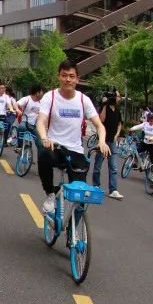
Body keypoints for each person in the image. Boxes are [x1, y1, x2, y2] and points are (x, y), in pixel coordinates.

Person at [35, 60, 109, 215]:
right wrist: (44, 139)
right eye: (64, 75)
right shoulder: (50, 97)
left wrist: (102, 141)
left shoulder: (83, 100)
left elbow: (99, 125)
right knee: (43, 154)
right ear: (59, 77)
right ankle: (50, 194)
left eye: (71, 76)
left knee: (80, 198)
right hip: (55, 147)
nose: (67, 79)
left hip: (76, 151)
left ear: (77, 79)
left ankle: (74, 234)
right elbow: (41, 121)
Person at [93, 89, 124, 200]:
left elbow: (120, 124)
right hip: (103, 141)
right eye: (118, 96)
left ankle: (113, 190)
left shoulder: (118, 110)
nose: (119, 98)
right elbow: (101, 119)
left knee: (114, 167)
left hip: (112, 141)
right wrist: (105, 105)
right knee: (98, 165)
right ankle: (96, 186)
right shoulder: (104, 108)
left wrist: (117, 134)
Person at [14, 85, 45, 154]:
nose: (43, 94)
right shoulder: (27, 99)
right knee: (21, 127)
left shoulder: (42, 102)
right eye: (42, 92)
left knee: (40, 143)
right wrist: (17, 110)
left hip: (35, 126)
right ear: (37, 93)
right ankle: (19, 146)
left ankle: (41, 159)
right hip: (25, 122)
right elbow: (16, 104)